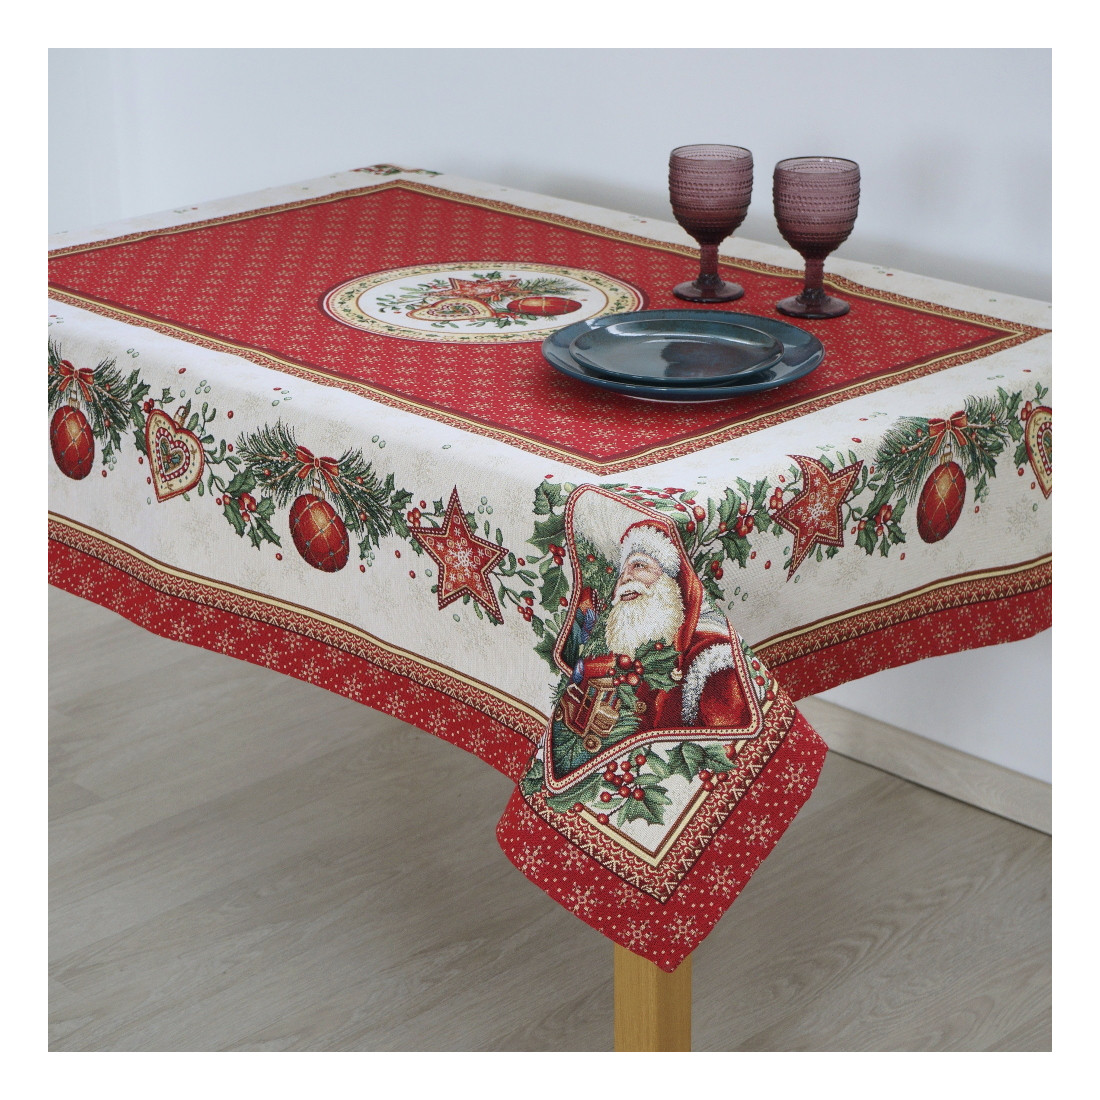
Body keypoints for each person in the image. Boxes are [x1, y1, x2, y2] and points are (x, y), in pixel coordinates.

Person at [554, 517, 755, 758]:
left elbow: (729, 757)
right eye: (622, 572)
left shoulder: (710, 663)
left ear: (673, 583)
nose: (625, 579)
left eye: (639, 566)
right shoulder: (633, 658)